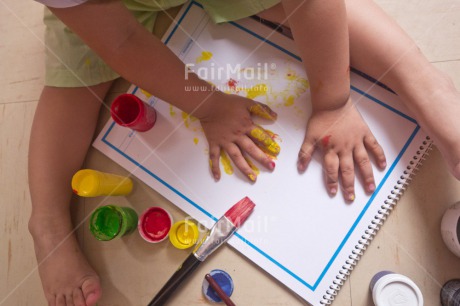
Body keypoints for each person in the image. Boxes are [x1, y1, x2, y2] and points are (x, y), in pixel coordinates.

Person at [28, 0, 460, 305]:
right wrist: (207, 105)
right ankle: (46, 223)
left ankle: (427, 86)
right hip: (105, 11)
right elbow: (120, 40)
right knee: (75, 76)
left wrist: (334, 102)